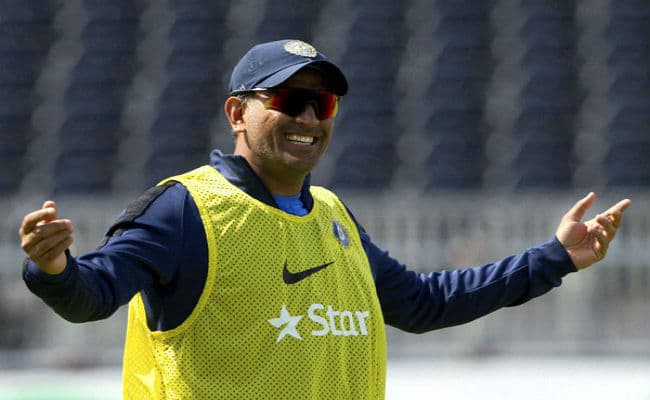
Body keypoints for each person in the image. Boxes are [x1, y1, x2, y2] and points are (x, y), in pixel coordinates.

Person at [20, 39, 631, 399]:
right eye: (289, 100)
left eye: (323, 103)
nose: (309, 119)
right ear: (237, 113)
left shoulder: (333, 214)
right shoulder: (183, 210)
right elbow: (92, 294)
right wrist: (53, 268)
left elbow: (423, 304)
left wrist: (555, 258)